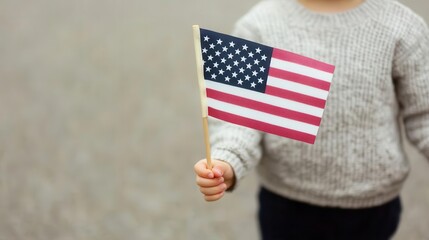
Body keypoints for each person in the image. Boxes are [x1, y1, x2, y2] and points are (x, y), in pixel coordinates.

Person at [193, 0, 429, 239]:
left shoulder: (402, 26)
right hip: (286, 201)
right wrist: (228, 159)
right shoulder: (260, 25)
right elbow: (241, 115)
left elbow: (424, 113)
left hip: (372, 205)